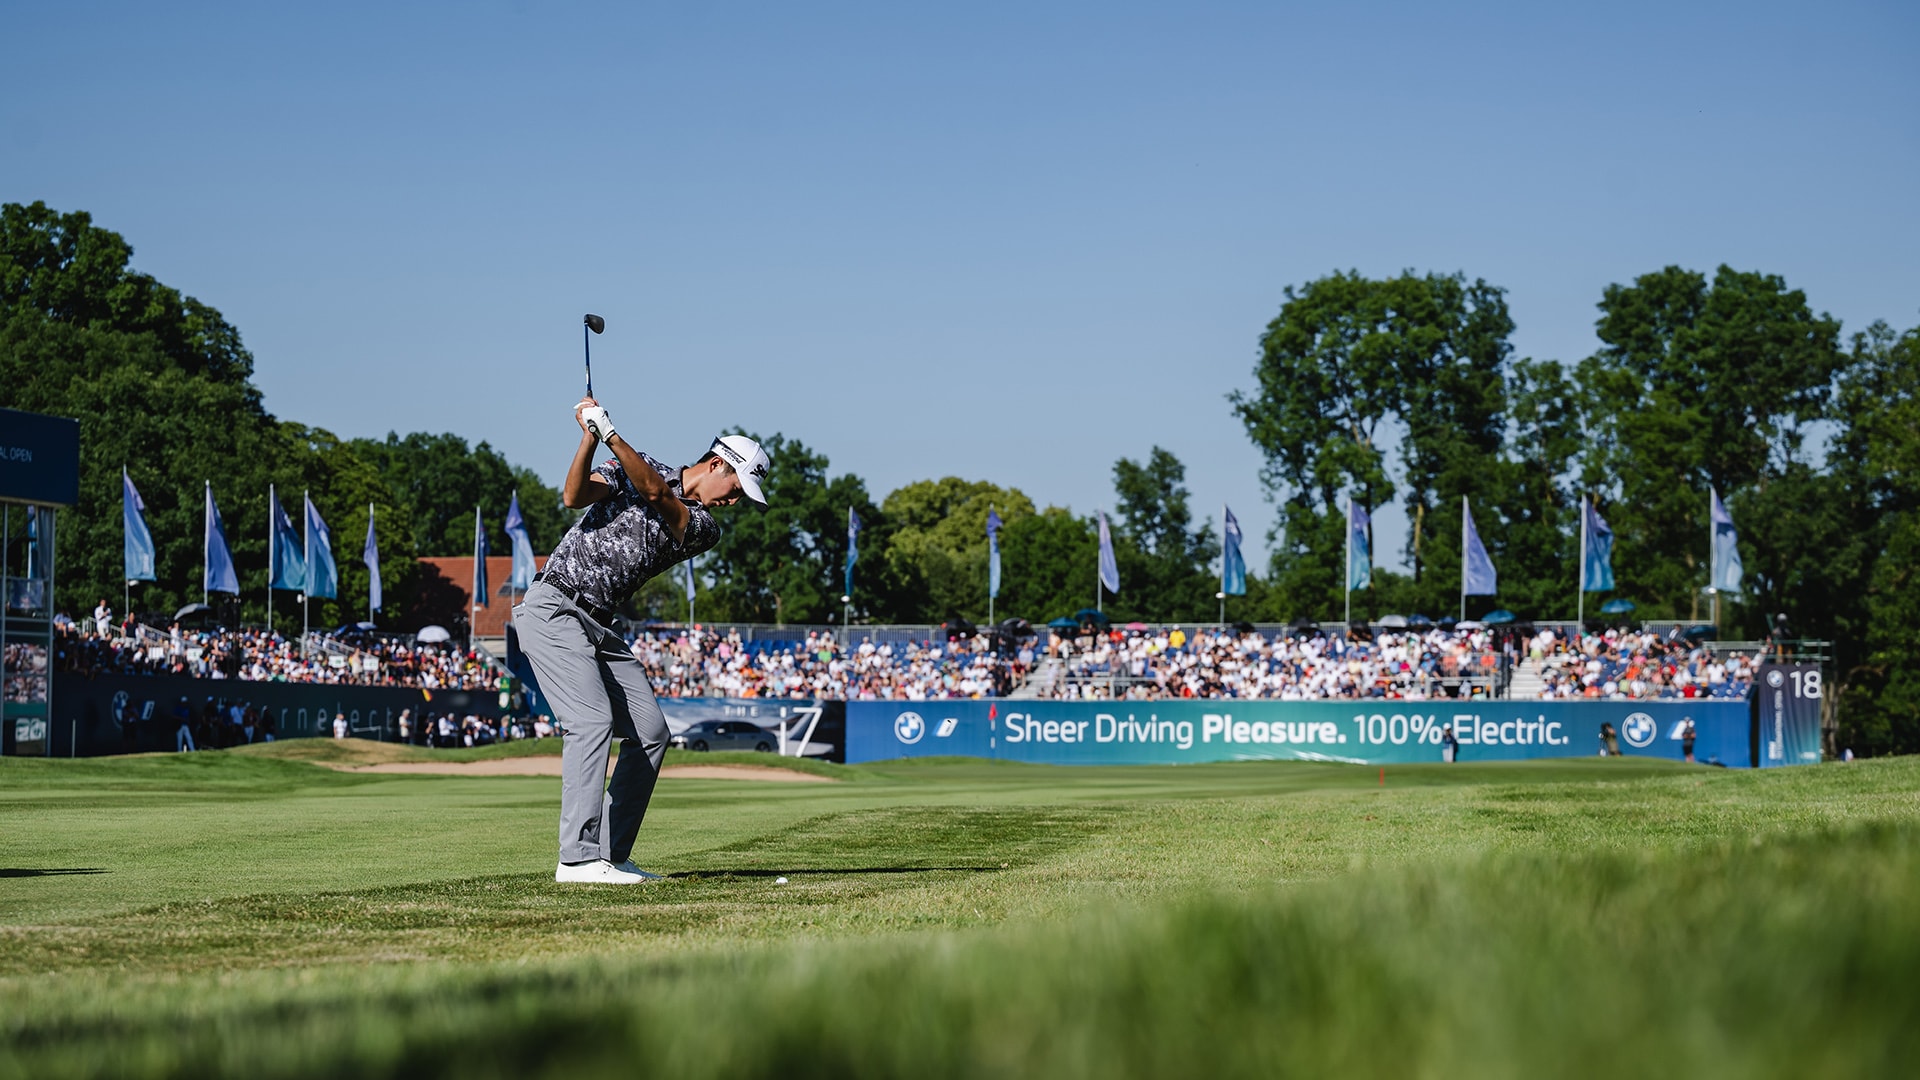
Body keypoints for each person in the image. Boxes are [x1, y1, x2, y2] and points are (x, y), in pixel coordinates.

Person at [514, 395, 767, 885]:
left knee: (651, 733)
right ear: (717, 464)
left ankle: (610, 853)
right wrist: (589, 438)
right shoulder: (641, 465)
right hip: (554, 606)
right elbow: (574, 495)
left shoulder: (705, 528)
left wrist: (609, 430)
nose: (734, 502)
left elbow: (657, 496)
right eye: (736, 487)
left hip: (601, 624)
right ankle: (579, 860)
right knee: (590, 723)